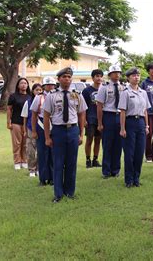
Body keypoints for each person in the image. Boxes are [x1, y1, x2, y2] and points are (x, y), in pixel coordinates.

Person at [43, 67, 87, 203]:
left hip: (73, 130)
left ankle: (70, 192)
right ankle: (58, 194)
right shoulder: (52, 95)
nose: (67, 79)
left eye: (69, 77)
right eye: (64, 77)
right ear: (59, 79)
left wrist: (81, 134)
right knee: (58, 163)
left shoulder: (77, 94)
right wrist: (47, 137)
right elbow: (46, 116)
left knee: (71, 163)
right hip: (58, 131)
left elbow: (81, 114)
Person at [118, 68, 151, 187]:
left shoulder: (143, 92)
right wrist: (122, 128)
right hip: (130, 122)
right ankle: (129, 179)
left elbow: (145, 110)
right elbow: (122, 111)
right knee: (129, 153)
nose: (136, 77)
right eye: (133, 75)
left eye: (138, 75)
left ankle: (136, 178)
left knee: (139, 152)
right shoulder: (125, 92)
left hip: (141, 122)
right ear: (128, 78)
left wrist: (147, 126)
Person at [96, 65, 125, 178]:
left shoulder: (123, 88)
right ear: (110, 75)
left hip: (120, 116)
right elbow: (99, 106)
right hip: (108, 116)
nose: (117, 74)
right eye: (114, 72)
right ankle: (106, 171)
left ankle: (116, 170)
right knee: (107, 144)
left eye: (118, 72)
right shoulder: (104, 88)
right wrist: (100, 122)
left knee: (118, 144)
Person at [31, 76, 56, 186]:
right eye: (48, 85)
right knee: (42, 153)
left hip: (55, 124)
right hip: (42, 125)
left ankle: (52, 178)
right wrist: (34, 130)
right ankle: (42, 178)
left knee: (53, 153)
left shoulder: (57, 95)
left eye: (52, 85)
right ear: (44, 86)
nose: (50, 86)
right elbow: (34, 114)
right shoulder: (39, 97)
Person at [7, 77, 31, 170]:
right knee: (17, 143)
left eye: (25, 83)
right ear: (18, 85)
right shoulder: (13, 96)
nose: (23, 85)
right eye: (21, 83)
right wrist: (8, 122)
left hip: (27, 124)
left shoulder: (30, 96)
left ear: (28, 85)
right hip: (16, 122)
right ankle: (17, 161)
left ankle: (24, 160)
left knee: (25, 143)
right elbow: (9, 109)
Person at [82, 69, 103, 168]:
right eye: (97, 76)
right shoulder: (86, 91)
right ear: (93, 78)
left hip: (101, 119)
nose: (99, 78)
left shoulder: (104, 89)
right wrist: (84, 119)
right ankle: (87, 159)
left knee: (98, 139)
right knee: (89, 139)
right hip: (90, 118)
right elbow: (83, 107)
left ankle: (95, 159)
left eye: (100, 76)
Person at [21, 83, 42, 177]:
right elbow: (25, 117)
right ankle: (32, 169)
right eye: (36, 90)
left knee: (40, 150)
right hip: (30, 128)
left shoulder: (45, 100)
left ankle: (38, 168)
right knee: (30, 150)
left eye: (40, 90)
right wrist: (25, 130)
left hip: (42, 128)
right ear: (33, 91)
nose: (38, 92)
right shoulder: (28, 102)